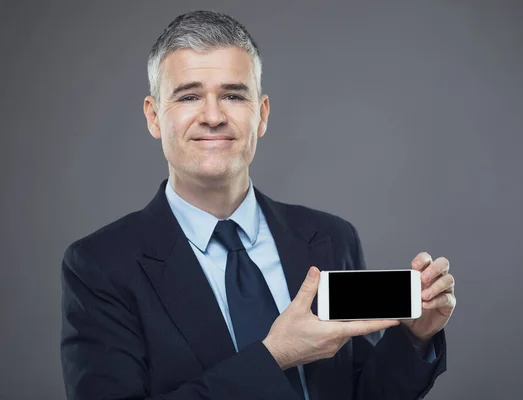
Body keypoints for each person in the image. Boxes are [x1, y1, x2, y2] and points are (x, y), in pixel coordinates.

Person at [60, 10, 456, 400]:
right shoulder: (101, 266)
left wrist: (414, 338)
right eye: (189, 96)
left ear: (261, 115)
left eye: (233, 95)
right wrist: (274, 356)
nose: (213, 116)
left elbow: (363, 393)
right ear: (154, 117)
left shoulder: (331, 238)